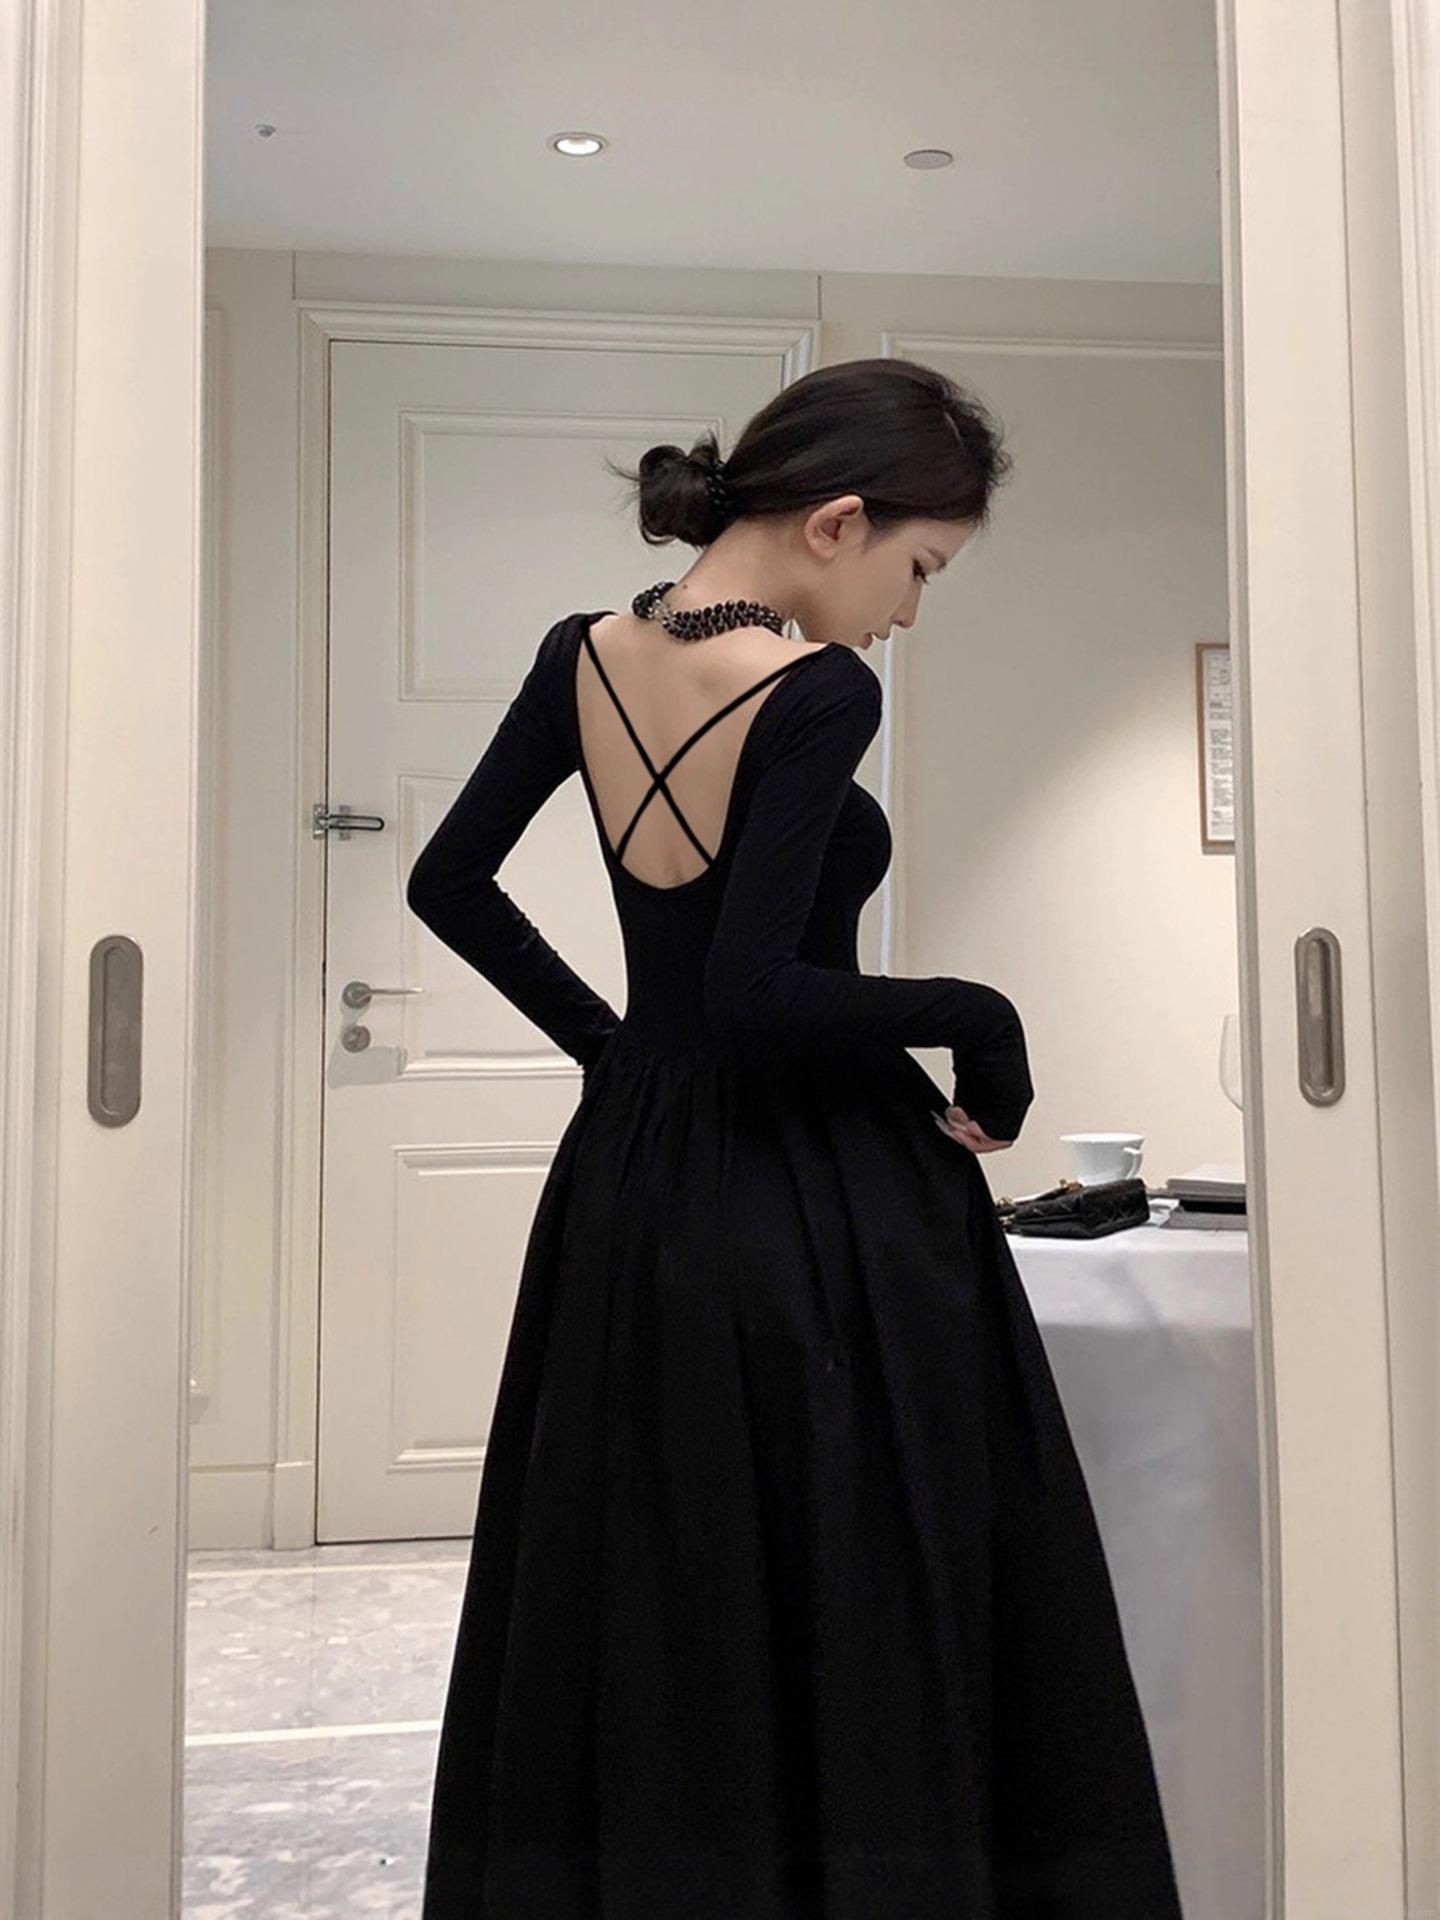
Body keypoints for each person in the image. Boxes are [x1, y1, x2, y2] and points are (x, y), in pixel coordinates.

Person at [405, 357, 1184, 1918]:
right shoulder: (820, 688)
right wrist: (984, 1012)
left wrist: (621, 1054)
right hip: (813, 1191)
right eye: (921, 568)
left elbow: (450, 884)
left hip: (636, 1179)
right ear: (838, 522)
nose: (910, 611)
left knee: (659, 1562)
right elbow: (762, 990)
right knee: (861, 1565)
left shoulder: (585, 652)